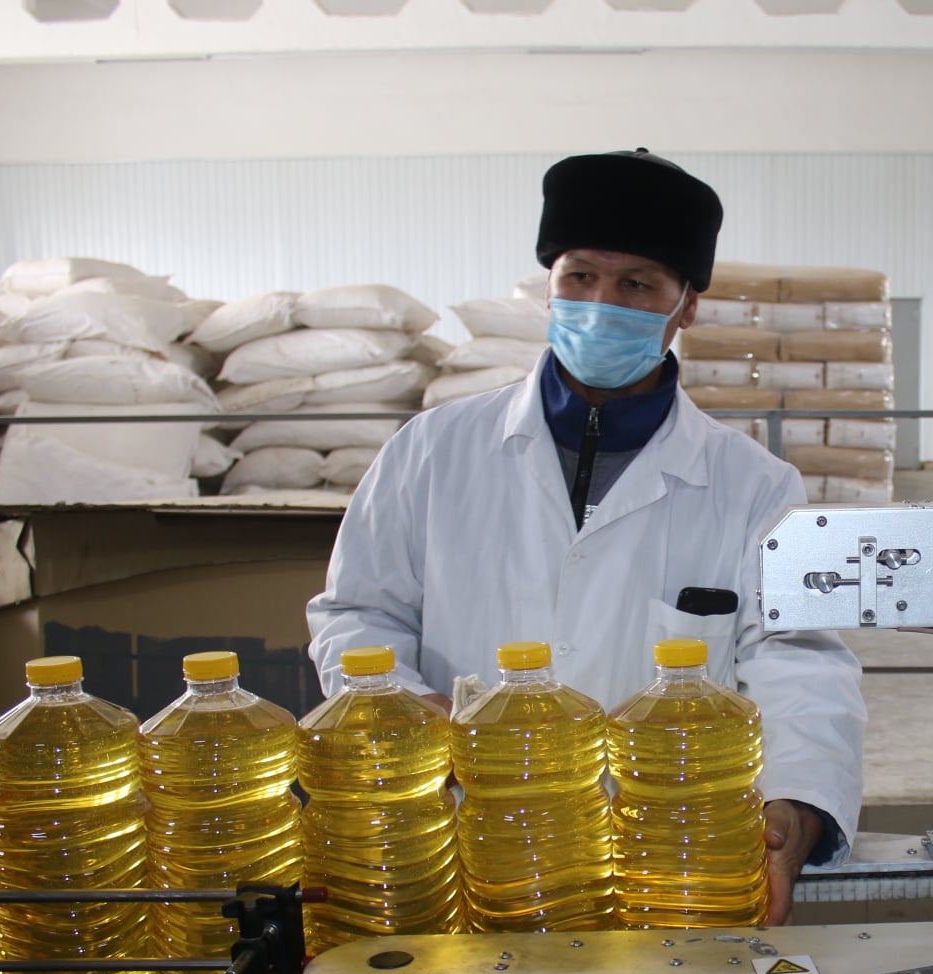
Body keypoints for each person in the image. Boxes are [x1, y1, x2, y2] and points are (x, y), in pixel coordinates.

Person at [306, 149, 866, 926]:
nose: (602, 304)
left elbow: (794, 659)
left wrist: (797, 803)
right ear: (550, 284)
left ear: (685, 306)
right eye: (580, 276)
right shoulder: (433, 451)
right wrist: (403, 710)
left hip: (668, 859)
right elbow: (358, 614)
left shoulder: (752, 484)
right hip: (468, 843)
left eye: (637, 284)